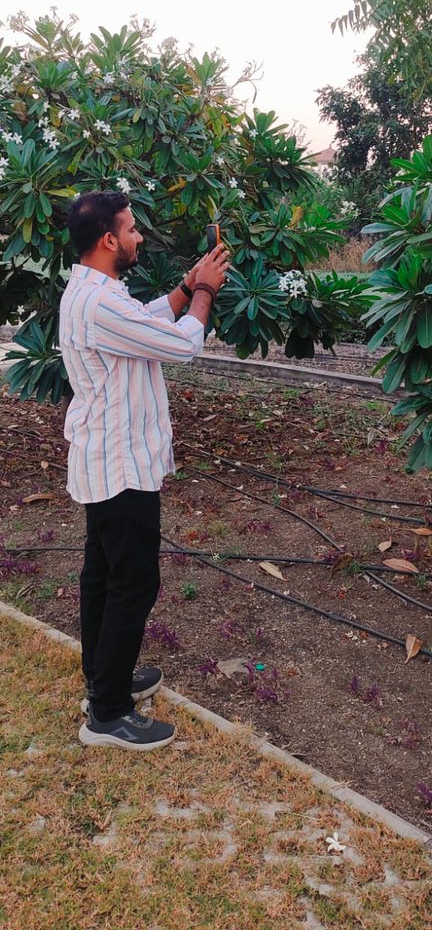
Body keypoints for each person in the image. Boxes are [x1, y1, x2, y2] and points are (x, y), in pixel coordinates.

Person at [59, 190, 229, 751]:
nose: (138, 237)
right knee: (132, 583)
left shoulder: (94, 291)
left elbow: (143, 322)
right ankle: (108, 714)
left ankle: (103, 679)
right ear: (109, 239)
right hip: (121, 464)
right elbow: (179, 346)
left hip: (106, 460)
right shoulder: (101, 302)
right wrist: (205, 291)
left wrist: (184, 287)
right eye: (131, 230)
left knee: (104, 576)